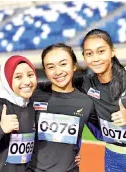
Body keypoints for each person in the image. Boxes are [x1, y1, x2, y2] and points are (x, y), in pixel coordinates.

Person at [37, 29, 126, 171]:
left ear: (112, 51)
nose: (95, 58)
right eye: (89, 54)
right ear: (84, 57)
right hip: (112, 155)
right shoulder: (84, 83)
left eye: (101, 51)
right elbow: (57, 81)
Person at [26, 43, 100, 172]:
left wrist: (124, 77)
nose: (58, 71)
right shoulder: (33, 95)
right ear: (45, 71)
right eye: (51, 67)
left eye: (63, 64)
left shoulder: (86, 102)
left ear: (74, 65)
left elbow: (104, 132)